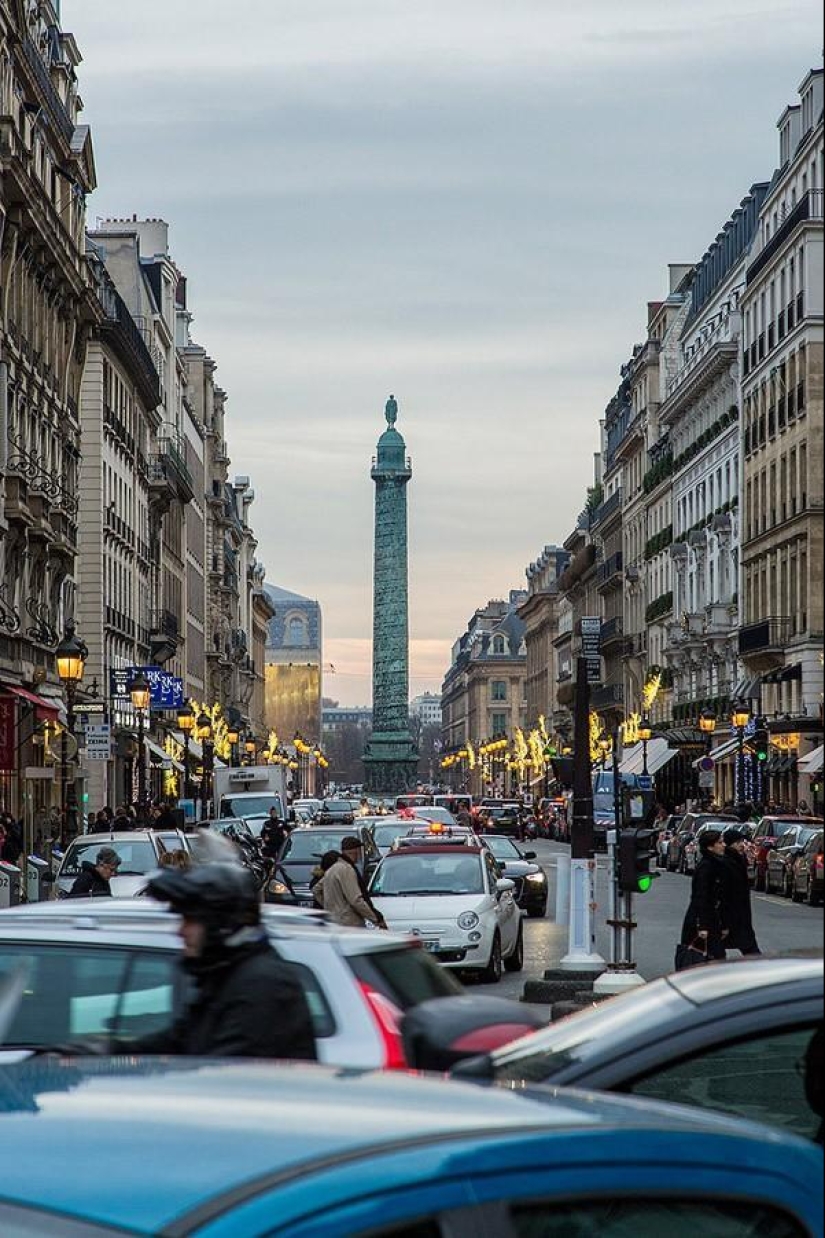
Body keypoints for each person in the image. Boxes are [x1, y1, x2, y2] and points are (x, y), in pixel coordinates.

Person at [125, 863, 317, 1059]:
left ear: (219, 924)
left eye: (190, 921)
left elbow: (224, 1066)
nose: (180, 931)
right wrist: (114, 1051)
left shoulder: (261, 985)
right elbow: (180, 1040)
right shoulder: (224, 976)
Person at [316, 836, 386, 929]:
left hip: (333, 921)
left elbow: (316, 889)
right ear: (356, 851)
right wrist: (375, 919)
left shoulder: (333, 869)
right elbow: (356, 900)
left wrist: (330, 907)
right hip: (349, 924)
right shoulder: (347, 869)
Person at [680, 829, 729, 961]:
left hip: (713, 920)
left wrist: (724, 924)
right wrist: (702, 926)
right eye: (720, 842)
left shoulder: (717, 864)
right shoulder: (706, 867)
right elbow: (701, 896)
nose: (724, 845)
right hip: (702, 921)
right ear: (710, 847)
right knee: (699, 958)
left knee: (715, 958)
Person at [720, 828, 761, 955]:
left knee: (750, 948)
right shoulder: (726, 862)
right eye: (738, 842)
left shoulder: (739, 859)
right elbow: (724, 894)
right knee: (716, 951)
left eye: (742, 841)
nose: (742, 845)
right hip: (731, 915)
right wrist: (723, 923)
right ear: (730, 844)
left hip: (741, 915)